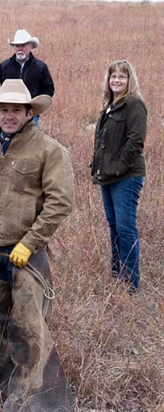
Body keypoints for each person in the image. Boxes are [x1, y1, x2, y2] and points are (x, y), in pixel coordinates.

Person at [0, 79, 75, 412]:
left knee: (30, 325)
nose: (9, 116)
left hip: (27, 257)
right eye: (3, 110)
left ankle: (35, 403)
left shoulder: (49, 150)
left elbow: (60, 202)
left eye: (15, 110)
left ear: (30, 113)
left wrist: (29, 243)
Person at [91, 60, 147, 292]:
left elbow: (136, 141)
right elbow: (104, 142)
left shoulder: (134, 104)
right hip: (108, 175)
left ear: (129, 80)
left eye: (121, 77)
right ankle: (117, 273)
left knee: (126, 227)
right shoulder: (110, 105)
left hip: (126, 176)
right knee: (114, 225)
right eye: (113, 76)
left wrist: (118, 167)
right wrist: (98, 165)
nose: (116, 80)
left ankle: (131, 281)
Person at [0, 30, 55, 98]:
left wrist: (36, 102)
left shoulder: (40, 67)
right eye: (17, 46)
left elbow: (48, 89)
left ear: (30, 46)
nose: (20, 49)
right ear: (14, 47)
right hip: (9, 106)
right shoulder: (4, 66)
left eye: (23, 45)